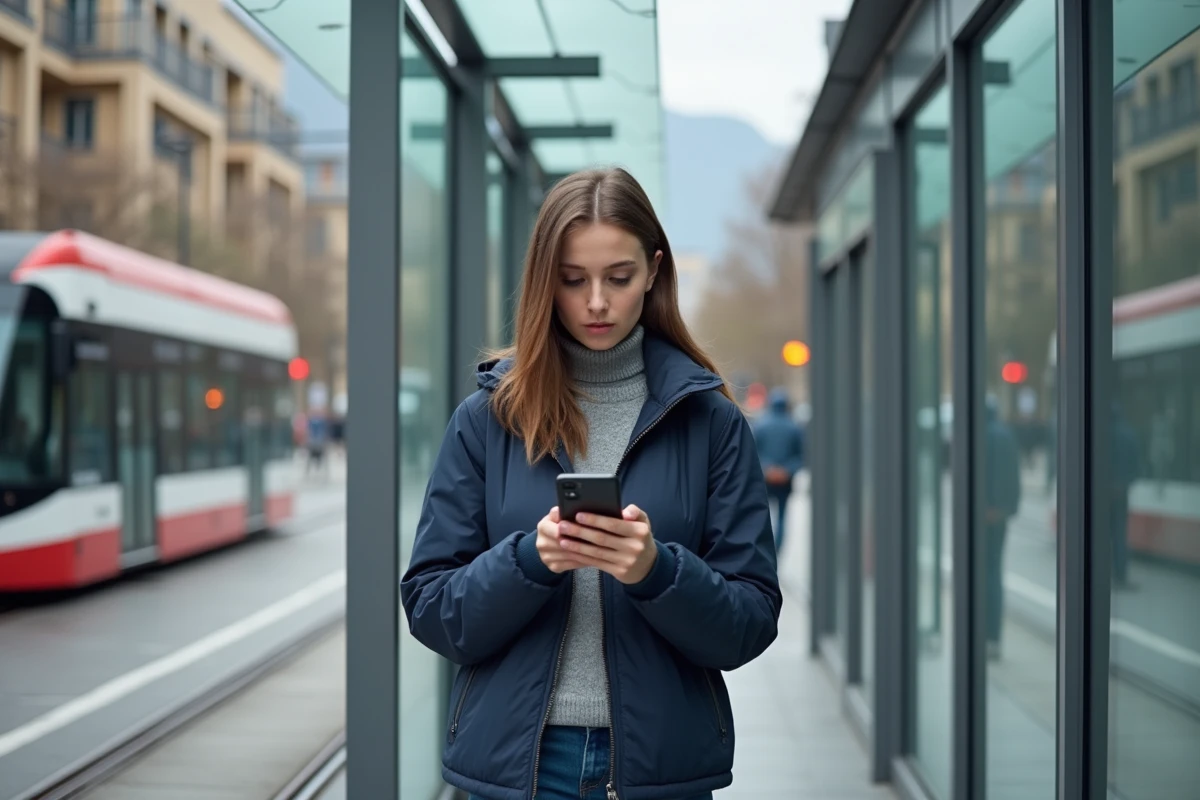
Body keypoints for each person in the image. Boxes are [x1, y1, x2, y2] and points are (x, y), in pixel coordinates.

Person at [401, 168, 781, 800]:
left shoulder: (711, 422)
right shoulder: (486, 420)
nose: (597, 302)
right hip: (518, 766)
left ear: (655, 270)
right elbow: (433, 609)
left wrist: (658, 572)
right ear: (544, 280)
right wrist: (531, 560)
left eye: (619, 277)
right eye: (574, 280)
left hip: (660, 769)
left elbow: (749, 622)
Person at [753, 388, 805, 552]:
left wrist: (768, 469)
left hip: (765, 480)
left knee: (762, 518)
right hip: (785, 481)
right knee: (782, 518)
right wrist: (785, 471)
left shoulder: (761, 425)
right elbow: (801, 455)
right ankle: (778, 552)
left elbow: (754, 452)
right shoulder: (794, 427)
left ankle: (766, 553)